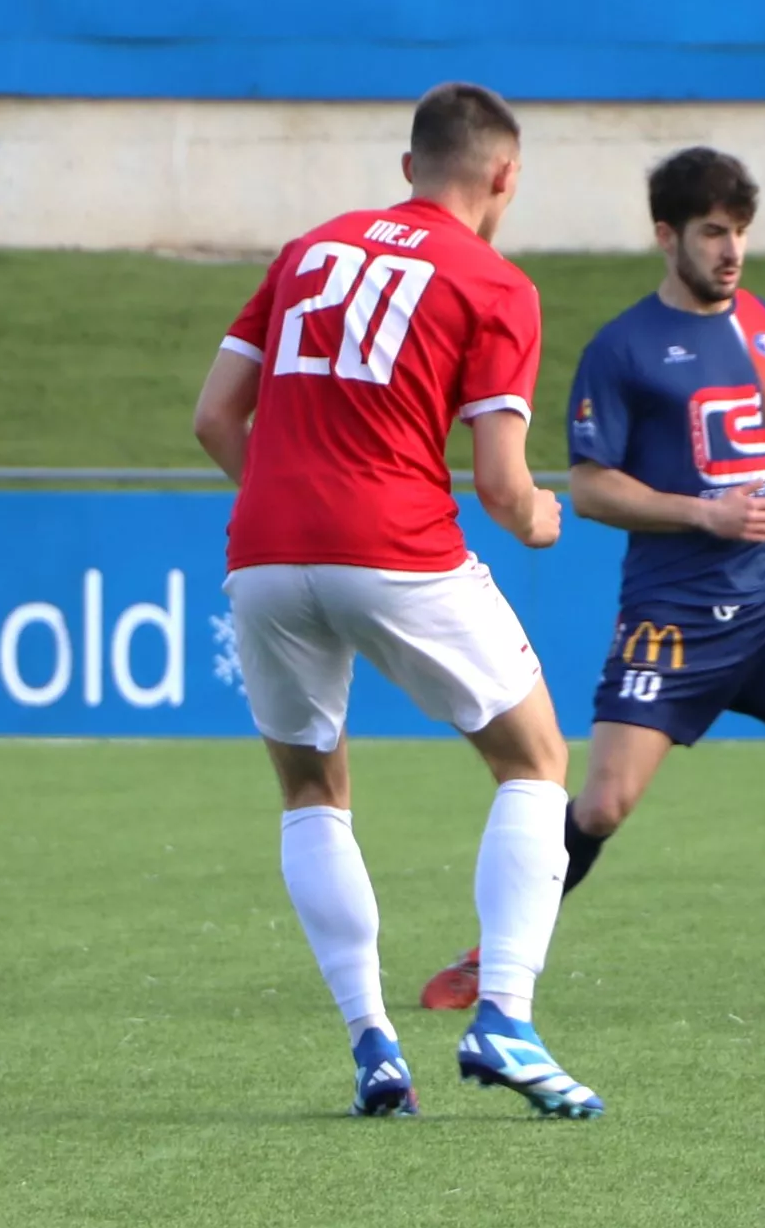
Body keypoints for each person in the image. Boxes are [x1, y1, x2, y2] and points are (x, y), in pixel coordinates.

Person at [419, 147, 765, 1017]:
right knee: (599, 804)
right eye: (713, 232)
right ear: (666, 235)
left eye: (741, 232)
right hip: (672, 615)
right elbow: (592, 487)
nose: (731, 250)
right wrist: (705, 514)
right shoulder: (622, 347)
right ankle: (491, 958)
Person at [191, 81, 604, 1120]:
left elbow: (211, 418)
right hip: (397, 546)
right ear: (503, 175)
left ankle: (373, 1040)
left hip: (266, 551)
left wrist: (291, 505)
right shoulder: (494, 282)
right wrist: (545, 520)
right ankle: (504, 1013)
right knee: (536, 760)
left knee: (312, 792)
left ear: (406, 163)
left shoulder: (305, 252)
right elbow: (504, 487)